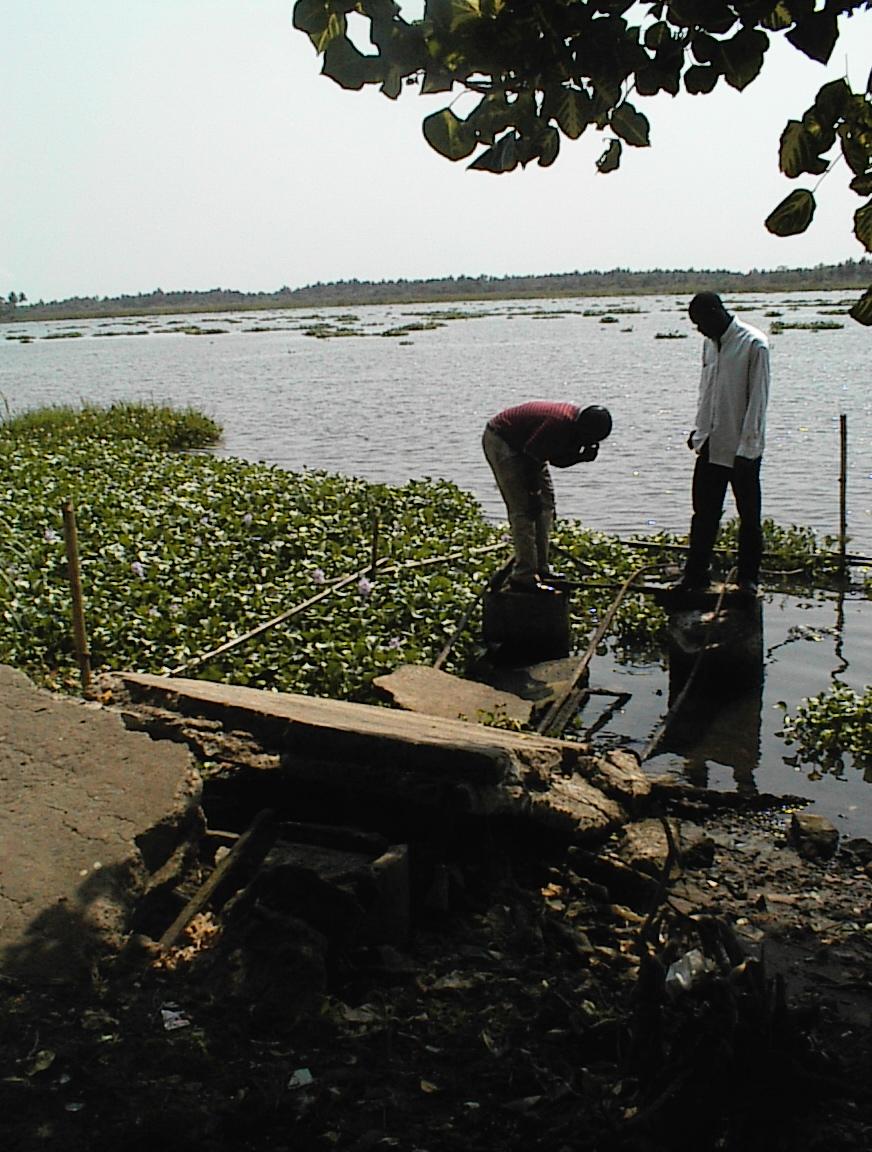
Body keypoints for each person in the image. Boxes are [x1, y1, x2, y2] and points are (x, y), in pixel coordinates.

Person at [674, 291, 770, 597]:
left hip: (743, 450)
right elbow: (708, 393)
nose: (699, 330)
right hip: (711, 444)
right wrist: (698, 432)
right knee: (703, 514)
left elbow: (758, 401)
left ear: (716, 313)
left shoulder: (754, 344)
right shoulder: (709, 345)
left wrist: (747, 449)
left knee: (749, 518)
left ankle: (748, 579)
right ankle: (696, 576)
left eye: (701, 323)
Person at [482, 400, 612, 593]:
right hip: (503, 440)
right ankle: (524, 576)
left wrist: (580, 457)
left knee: (546, 506)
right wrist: (532, 493)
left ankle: (541, 569)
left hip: (531, 450)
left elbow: (555, 459)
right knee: (523, 510)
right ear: (582, 428)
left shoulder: (577, 431)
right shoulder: (558, 425)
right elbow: (530, 461)